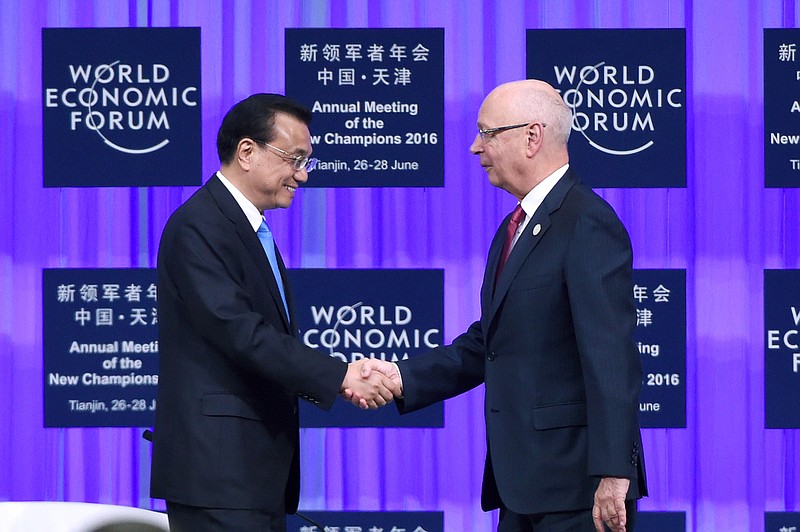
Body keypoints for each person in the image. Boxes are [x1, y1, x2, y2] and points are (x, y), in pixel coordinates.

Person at [355, 80, 647, 532]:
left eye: (488, 133)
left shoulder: (586, 222)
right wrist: (401, 376)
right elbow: (490, 341)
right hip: (523, 485)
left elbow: (610, 356)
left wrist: (613, 474)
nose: (475, 147)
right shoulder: (514, 227)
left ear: (532, 137)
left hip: (577, 490)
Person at [150, 93, 400, 532]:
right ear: (247, 152)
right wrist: (340, 375)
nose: (302, 175)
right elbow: (241, 332)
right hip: (218, 476)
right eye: (294, 158)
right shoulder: (199, 226)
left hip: (251, 476)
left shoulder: (244, 227)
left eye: (308, 161)